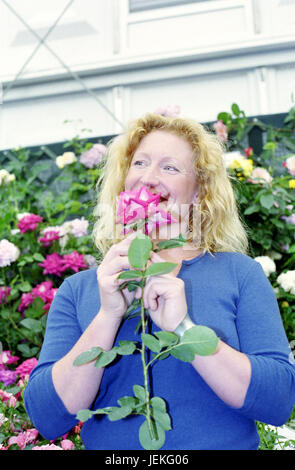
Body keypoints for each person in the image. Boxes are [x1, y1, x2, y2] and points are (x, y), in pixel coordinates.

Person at [24, 113, 295, 450]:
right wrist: (107, 316)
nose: (149, 178)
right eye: (140, 163)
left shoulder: (239, 274)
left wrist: (183, 329)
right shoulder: (79, 289)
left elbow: (278, 401)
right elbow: (48, 417)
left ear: (199, 191)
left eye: (170, 168)